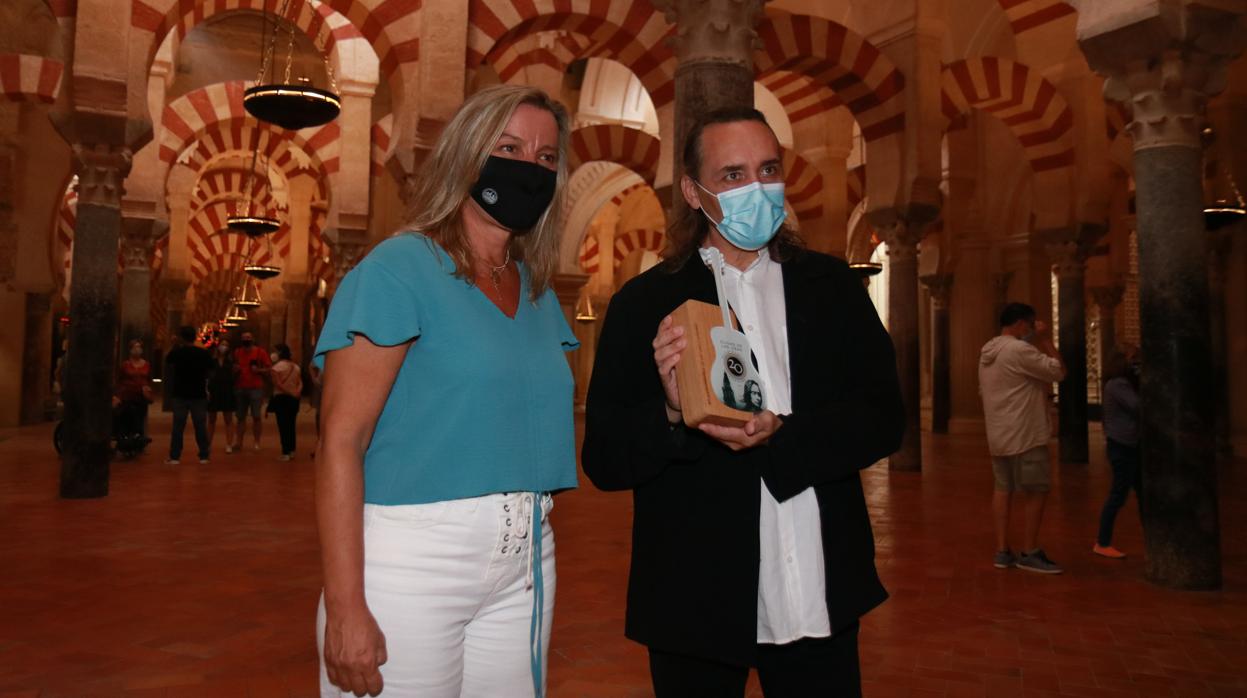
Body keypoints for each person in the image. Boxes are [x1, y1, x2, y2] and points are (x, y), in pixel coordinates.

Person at [582, 107, 905, 698]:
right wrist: (674, 414)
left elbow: (883, 417)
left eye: (768, 168)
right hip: (695, 597)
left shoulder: (831, 289)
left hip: (818, 588)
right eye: (732, 175)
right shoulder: (644, 303)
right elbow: (605, 458)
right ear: (692, 191)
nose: (756, 187)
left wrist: (784, 438)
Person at [313, 84, 578, 698]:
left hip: (526, 556)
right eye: (509, 146)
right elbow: (340, 442)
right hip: (411, 558)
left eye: (545, 158)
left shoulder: (536, 291)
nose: (529, 167)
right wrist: (346, 604)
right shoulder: (399, 268)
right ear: (467, 153)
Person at [978, 302, 1067, 574]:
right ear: (1020, 324)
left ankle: (1003, 550)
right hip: (1025, 433)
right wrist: (1046, 339)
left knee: (1003, 489)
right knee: (1035, 490)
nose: (1031, 328)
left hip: (999, 434)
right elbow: (1059, 371)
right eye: (1030, 324)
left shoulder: (987, 351)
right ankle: (1029, 551)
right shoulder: (1019, 349)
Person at [1094, 347, 1141, 558]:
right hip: (1124, 445)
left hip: (1127, 443)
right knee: (1118, 495)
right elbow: (1137, 406)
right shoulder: (1119, 384)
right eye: (1132, 360)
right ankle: (1102, 542)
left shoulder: (1116, 384)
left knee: (1142, 494)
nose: (1135, 365)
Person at [164, 326, 215, 465]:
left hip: (180, 393)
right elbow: (212, 370)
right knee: (200, 426)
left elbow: (167, 360)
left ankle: (175, 457)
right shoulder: (203, 353)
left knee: (178, 426)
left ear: (181, 337)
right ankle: (204, 456)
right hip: (198, 394)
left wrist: (173, 345)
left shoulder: (177, 353)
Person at [232, 331, 271, 452]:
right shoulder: (237, 352)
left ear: (253, 339)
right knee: (240, 417)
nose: (246, 340)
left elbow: (269, 369)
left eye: (248, 337)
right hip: (240, 386)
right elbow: (232, 368)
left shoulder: (260, 352)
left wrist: (258, 370)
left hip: (256, 387)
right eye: (244, 338)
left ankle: (257, 442)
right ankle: (239, 442)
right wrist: (235, 370)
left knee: (256, 416)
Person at [115, 338, 153, 447]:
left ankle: (138, 437)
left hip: (141, 396)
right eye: (135, 347)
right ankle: (126, 438)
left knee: (140, 416)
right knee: (127, 416)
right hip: (127, 396)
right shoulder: (125, 365)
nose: (137, 349)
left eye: (139, 347)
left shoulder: (147, 365)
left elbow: (148, 379)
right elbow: (120, 379)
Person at [268, 343, 303, 462]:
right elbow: (300, 382)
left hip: (282, 398)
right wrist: (296, 392)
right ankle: (292, 450)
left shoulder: (276, 368)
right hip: (294, 399)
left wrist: (289, 392)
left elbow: (278, 384)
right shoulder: (295, 366)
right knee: (291, 424)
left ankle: (285, 452)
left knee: (283, 425)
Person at [207, 337, 238, 453]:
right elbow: (207, 376)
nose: (223, 347)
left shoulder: (231, 362)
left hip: (227, 391)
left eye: (226, 345)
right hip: (214, 391)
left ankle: (229, 444)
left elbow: (235, 377)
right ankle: (208, 444)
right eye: (222, 344)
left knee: (228, 419)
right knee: (211, 419)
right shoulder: (212, 361)